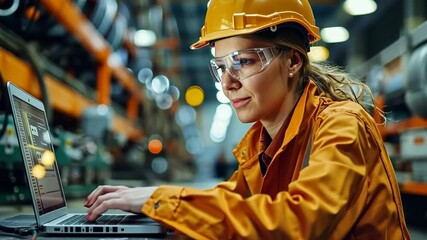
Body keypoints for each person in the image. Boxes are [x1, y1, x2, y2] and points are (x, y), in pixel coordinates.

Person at [85, 0, 410, 239]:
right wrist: (154, 198)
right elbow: (232, 204)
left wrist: (163, 201)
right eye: (221, 67)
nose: (227, 83)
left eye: (242, 61)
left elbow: (301, 222)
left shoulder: (342, 125)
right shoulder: (260, 143)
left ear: (294, 61)